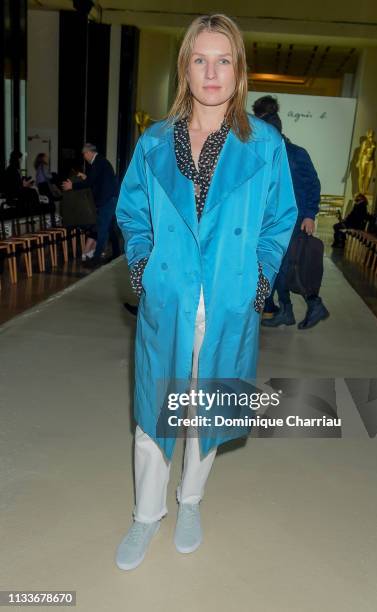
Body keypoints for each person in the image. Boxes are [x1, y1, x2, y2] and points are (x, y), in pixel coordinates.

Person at [114, 14, 297, 571]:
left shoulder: (263, 145)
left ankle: (189, 501)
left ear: (238, 70)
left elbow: (279, 221)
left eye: (223, 60)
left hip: (227, 299)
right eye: (200, 59)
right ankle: (147, 514)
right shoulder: (152, 143)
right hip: (168, 299)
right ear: (185, 67)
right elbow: (132, 213)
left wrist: (259, 282)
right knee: (154, 410)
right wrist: (145, 271)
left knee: (206, 408)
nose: (211, 72)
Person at [253, 96, 329, 330]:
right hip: (272, 221)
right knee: (279, 266)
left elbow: (312, 185)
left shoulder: (295, 153)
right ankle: (282, 308)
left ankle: (303, 306)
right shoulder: (266, 154)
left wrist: (309, 215)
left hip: (291, 220)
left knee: (286, 266)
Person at [62, 143, 121, 266]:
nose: (84, 157)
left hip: (107, 200)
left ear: (88, 152)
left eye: (84, 154)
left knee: (102, 229)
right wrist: (86, 177)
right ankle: (116, 253)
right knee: (110, 227)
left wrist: (72, 186)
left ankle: (96, 259)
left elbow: (90, 183)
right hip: (111, 199)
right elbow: (95, 180)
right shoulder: (101, 162)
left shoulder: (97, 162)